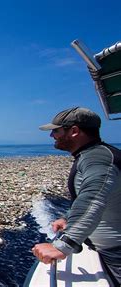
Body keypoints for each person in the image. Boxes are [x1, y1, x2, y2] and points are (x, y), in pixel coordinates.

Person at [32, 107, 121, 286]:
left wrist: (63, 245)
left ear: (74, 131)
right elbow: (89, 195)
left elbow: (93, 198)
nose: (52, 136)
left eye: (56, 130)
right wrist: (68, 217)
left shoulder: (97, 158)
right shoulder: (93, 155)